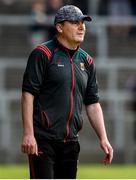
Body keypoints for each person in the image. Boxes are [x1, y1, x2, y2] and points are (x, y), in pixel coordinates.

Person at [21, 5, 113, 179]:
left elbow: (92, 103)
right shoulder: (42, 54)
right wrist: (28, 134)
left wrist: (103, 138)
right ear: (59, 27)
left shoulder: (87, 61)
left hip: (71, 143)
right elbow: (28, 95)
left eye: (83, 23)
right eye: (74, 22)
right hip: (43, 141)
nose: (81, 27)